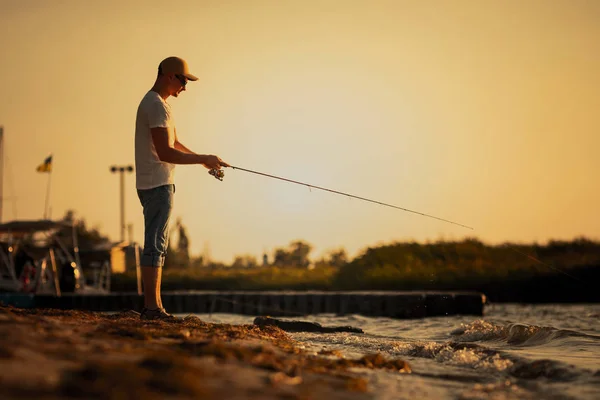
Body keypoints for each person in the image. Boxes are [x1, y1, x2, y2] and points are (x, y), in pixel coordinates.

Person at [135, 56, 229, 320]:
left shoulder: (158, 104)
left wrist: (204, 161)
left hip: (154, 182)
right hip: (157, 184)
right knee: (155, 245)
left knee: (157, 244)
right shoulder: (156, 105)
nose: (185, 87)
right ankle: (153, 309)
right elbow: (165, 152)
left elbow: (174, 143)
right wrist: (203, 158)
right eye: (184, 80)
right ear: (169, 76)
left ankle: (154, 307)